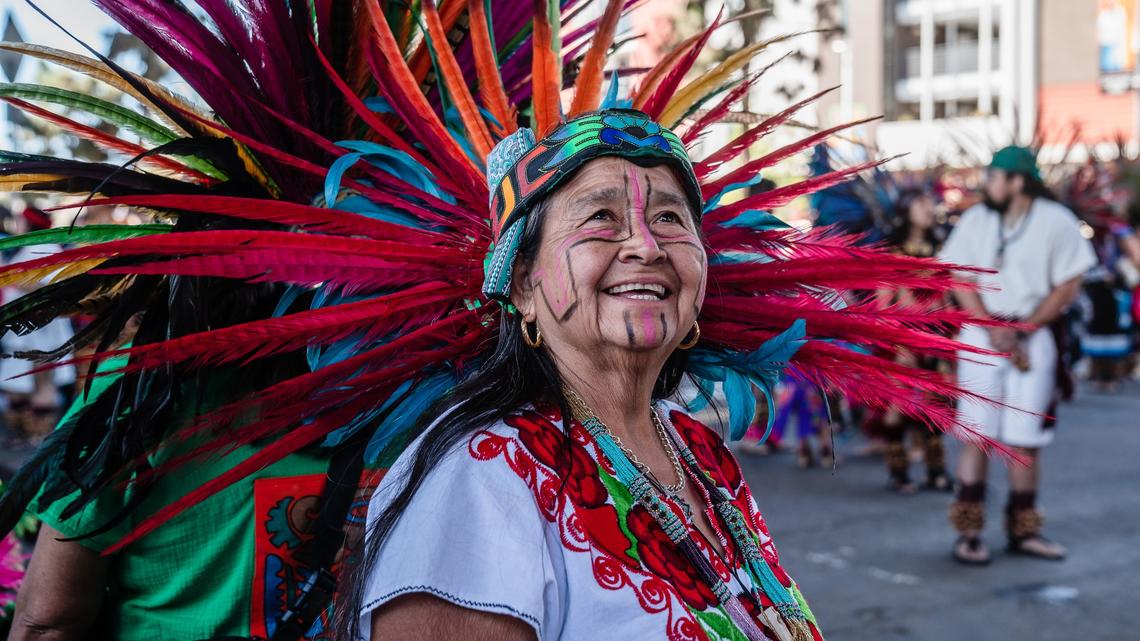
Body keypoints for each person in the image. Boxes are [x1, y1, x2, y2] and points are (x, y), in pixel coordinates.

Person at [0, 3, 989, 640]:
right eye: (601, 214)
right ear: (516, 288)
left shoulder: (697, 450)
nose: (645, 241)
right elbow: (49, 618)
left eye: (672, 216)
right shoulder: (474, 474)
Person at [940, 146, 1097, 565]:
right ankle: (969, 534)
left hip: (1033, 334)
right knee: (977, 434)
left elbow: (1069, 284)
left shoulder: (1056, 221)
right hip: (981, 336)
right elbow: (959, 277)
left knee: (1024, 441)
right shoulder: (976, 219)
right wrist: (993, 329)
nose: (986, 184)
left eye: (993, 176)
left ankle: (1025, 532)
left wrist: (1022, 331)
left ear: (1017, 181)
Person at [878, 189, 952, 493]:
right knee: (899, 404)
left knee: (935, 404)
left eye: (929, 201)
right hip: (904, 337)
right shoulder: (892, 251)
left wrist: (949, 330)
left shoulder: (940, 246)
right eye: (920, 201)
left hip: (935, 337)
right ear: (905, 210)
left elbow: (948, 292)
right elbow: (883, 303)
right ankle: (898, 472)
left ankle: (936, 469)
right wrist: (897, 343)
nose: (928, 206)